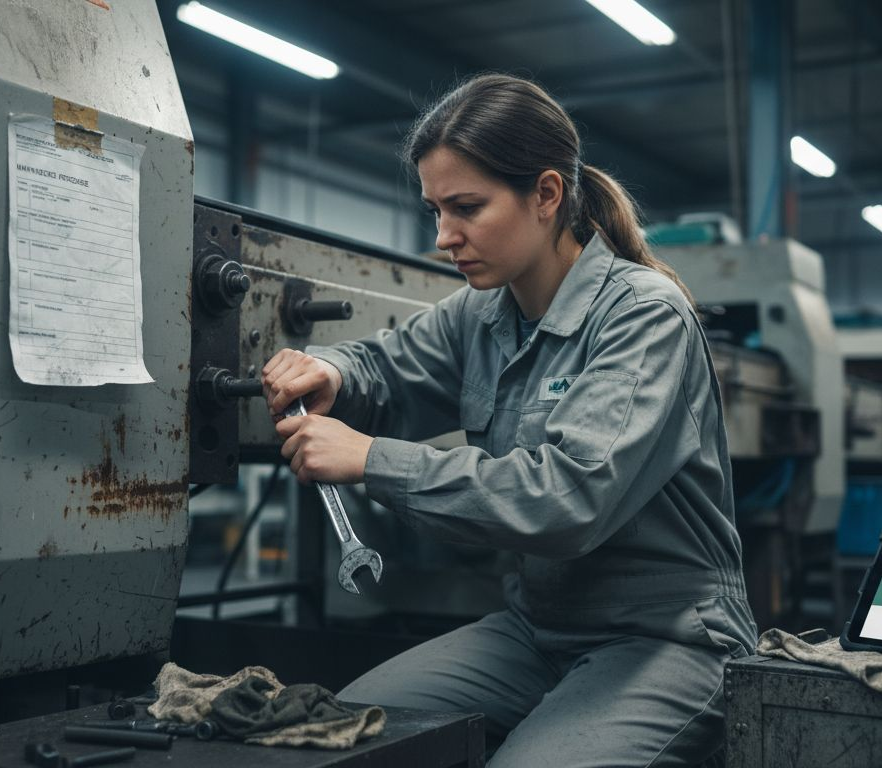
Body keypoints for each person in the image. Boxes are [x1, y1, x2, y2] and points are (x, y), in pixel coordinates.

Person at [260, 73, 756, 768]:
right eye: (435, 210)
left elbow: (568, 499)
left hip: (668, 640)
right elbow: (389, 365)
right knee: (344, 741)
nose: (444, 237)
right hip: (536, 632)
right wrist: (333, 369)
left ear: (547, 195)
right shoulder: (481, 313)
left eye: (466, 207)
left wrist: (370, 458)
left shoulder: (643, 316)